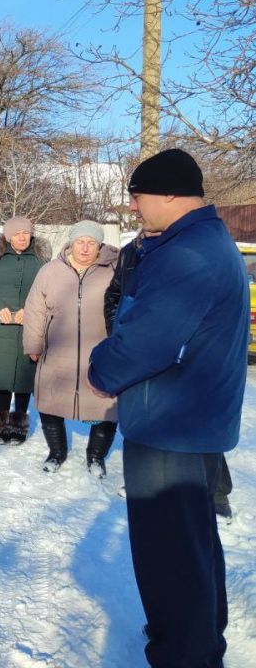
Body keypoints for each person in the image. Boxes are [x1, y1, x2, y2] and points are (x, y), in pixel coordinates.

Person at [89, 149, 249, 667]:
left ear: (169, 194)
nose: (133, 208)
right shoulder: (200, 240)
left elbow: (144, 344)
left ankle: (185, 652)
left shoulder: (187, 255)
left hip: (169, 425)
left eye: (137, 197)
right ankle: (198, 639)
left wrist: (101, 367)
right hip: (188, 419)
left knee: (170, 556)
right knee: (192, 544)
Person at [105, 229, 236, 523]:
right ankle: (146, 480)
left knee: (196, 421)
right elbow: (115, 293)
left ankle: (217, 492)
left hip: (185, 351)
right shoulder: (131, 251)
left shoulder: (188, 249)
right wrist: (118, 331)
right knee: (149, 415)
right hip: (139, 344)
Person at [22, 220, 119, 474]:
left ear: (100, 245)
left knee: (107, 408)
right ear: (71, 243)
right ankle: (56, 452)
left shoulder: (114, 270)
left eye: (91, 243)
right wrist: (33, 343)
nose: (85, 248)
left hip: (100, 352)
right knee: (50, 403)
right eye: (80, 242)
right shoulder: (51, 271)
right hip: (57, 351)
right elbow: (35, 310)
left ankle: (96, 457)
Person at [0, 216, 50, 445]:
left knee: (25, 376)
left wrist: (32, 310)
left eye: (26, 233)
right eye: (17, 234)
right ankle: (1, 426)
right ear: (8, 236)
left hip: (31, 326)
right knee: (3, 377)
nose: (22, 237)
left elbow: (50, 290)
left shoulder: (41, 260)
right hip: (0, 328)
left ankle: (19, 426)